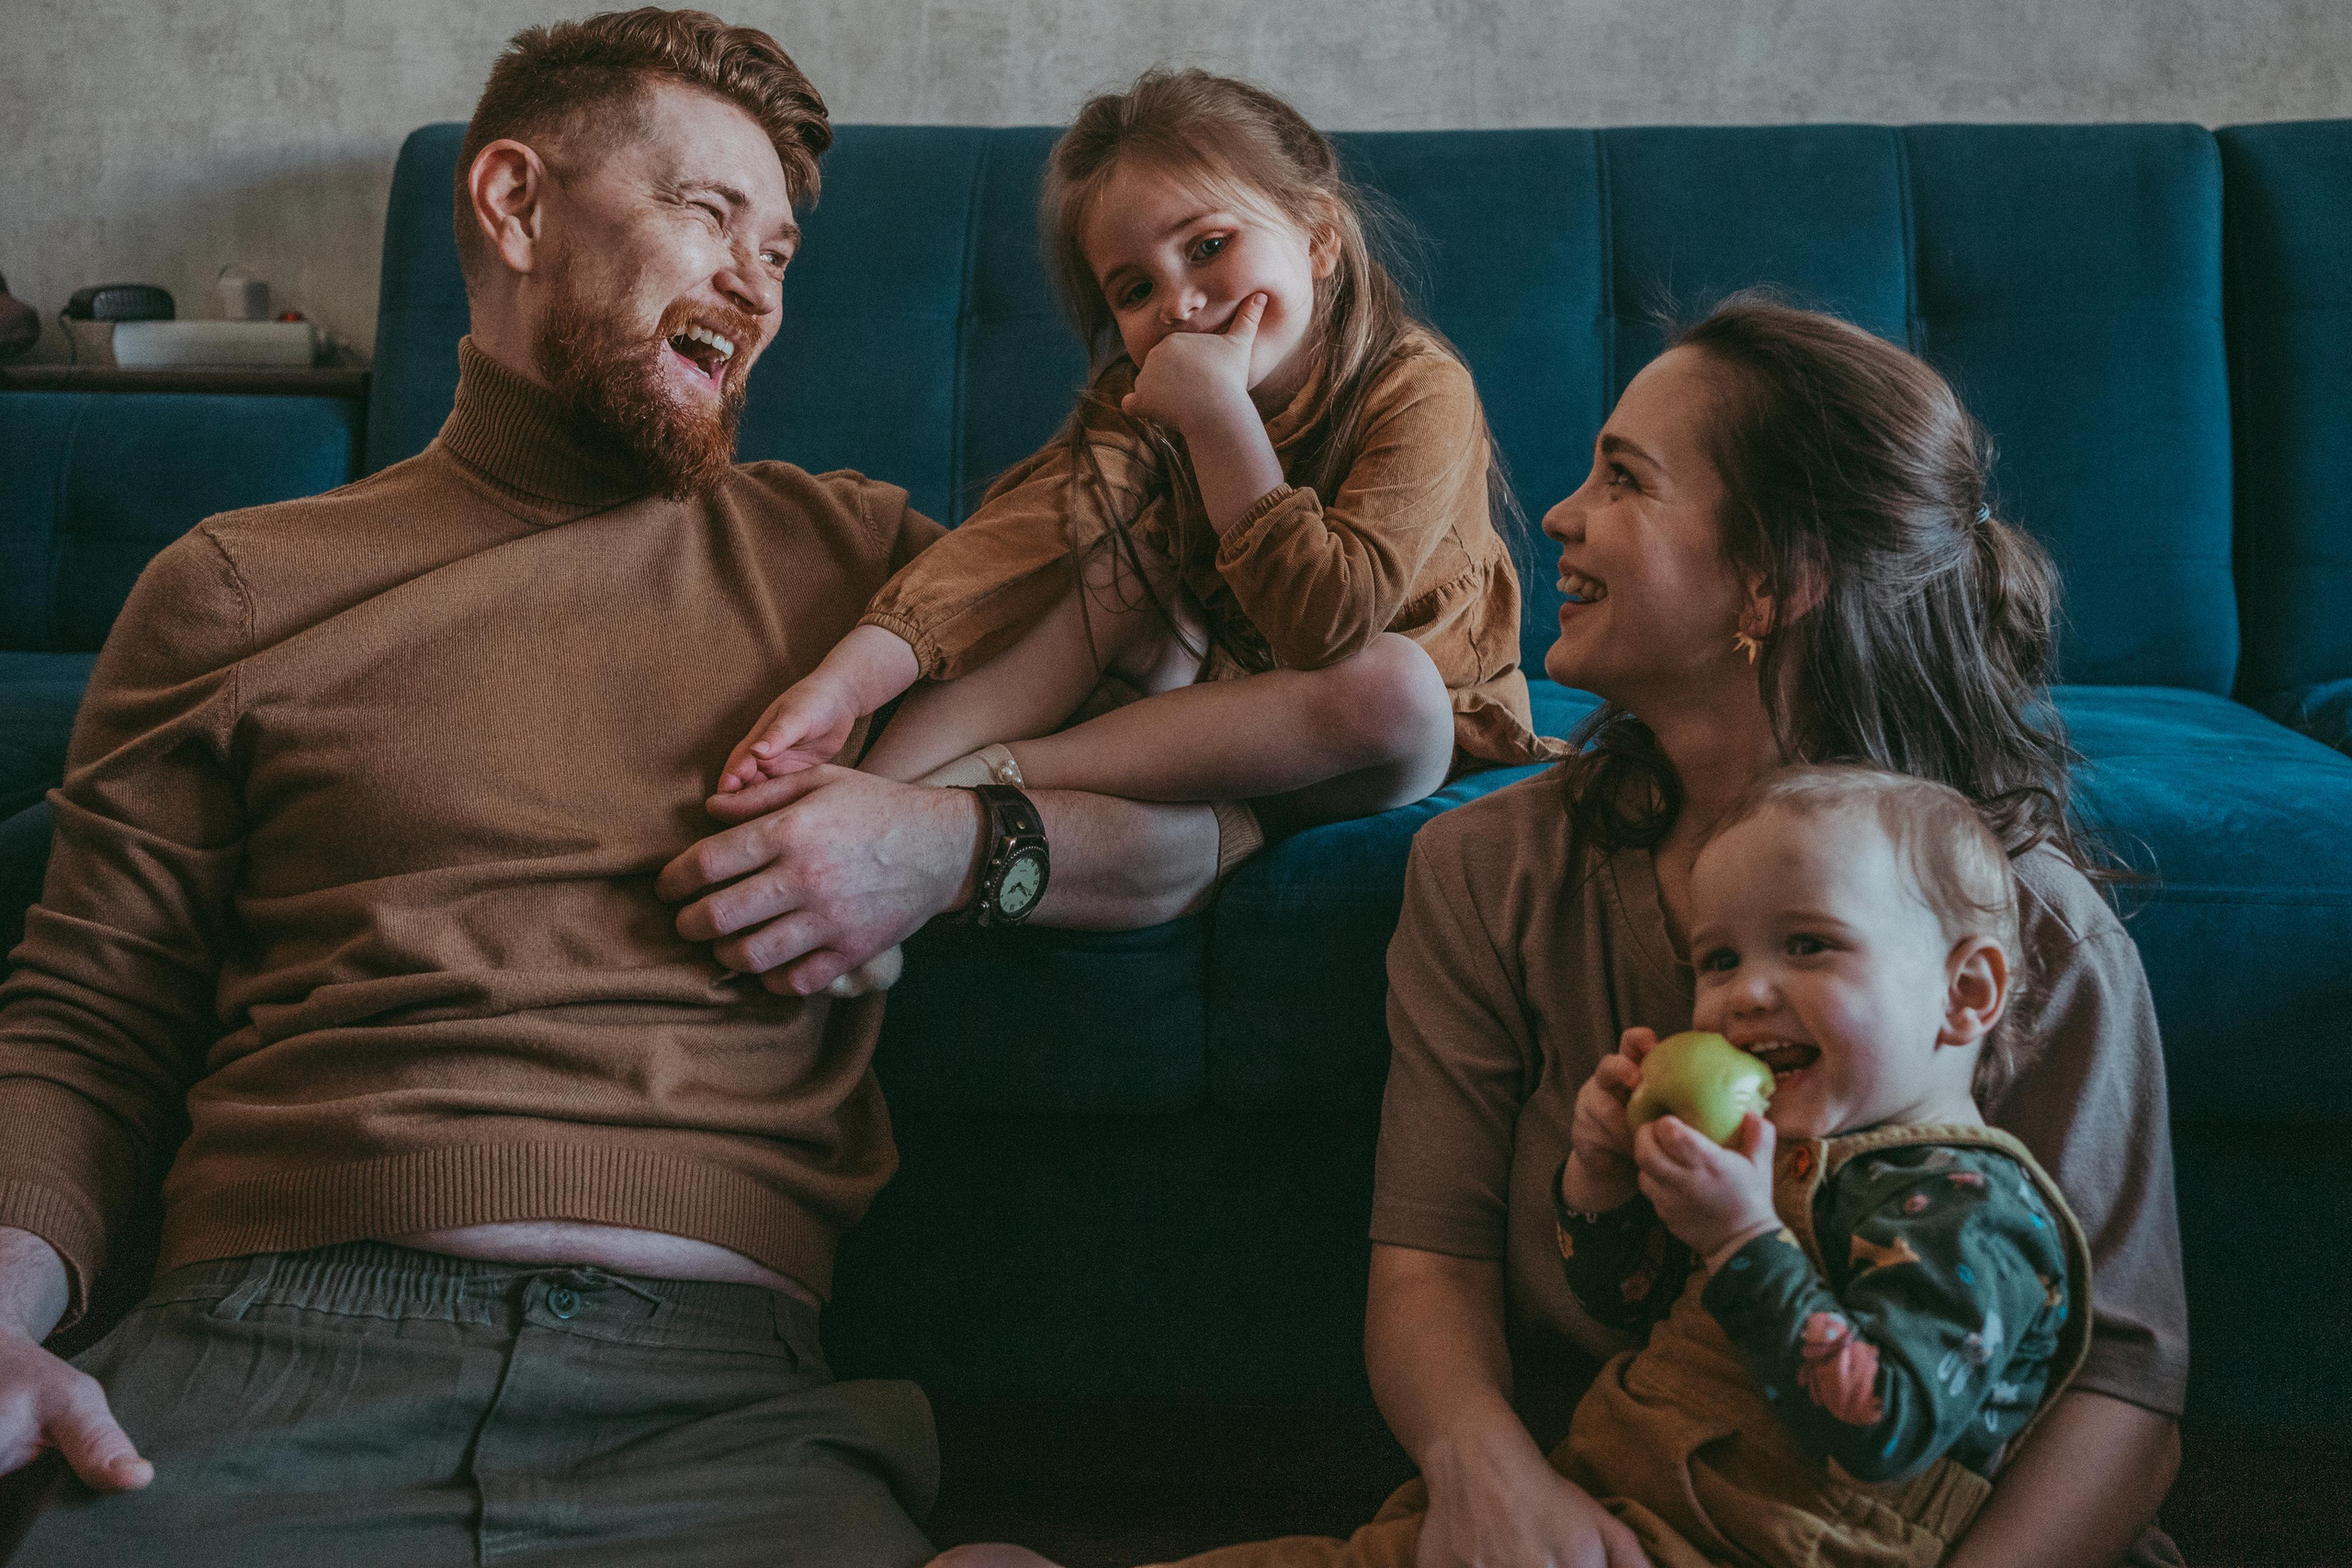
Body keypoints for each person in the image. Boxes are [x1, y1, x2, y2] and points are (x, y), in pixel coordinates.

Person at [0, 11, 1227, 1565]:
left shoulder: (862, 566)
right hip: (259, 1370)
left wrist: (943, 845)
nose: (758, 289)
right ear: (515, 204)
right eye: (709, 214)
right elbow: (88, 1020)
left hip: (713, 1414)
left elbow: (1196, 817)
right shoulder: (236, 585)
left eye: (778, 252)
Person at [933, 299, 2180, 1568]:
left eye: (1624, 479)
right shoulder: (1491, 869)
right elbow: (1429, 1265)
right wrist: (1488, 1477)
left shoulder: (2021, 929)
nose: (1560, 515)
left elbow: (2124, 1399)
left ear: (1773, 579)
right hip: (1597, 1507)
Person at [716, 67, 1560, 994]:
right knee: (1102, 561)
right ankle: (857, 809)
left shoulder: (1417, 387)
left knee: (1395, 688)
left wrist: (1218, 419)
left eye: (1209, 246)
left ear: (1320, 237)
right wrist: (844, 682)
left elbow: (1327, 626)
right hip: (1200, 705)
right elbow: (1017, 542)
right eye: (1133, 288)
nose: (1181, 304)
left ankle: (978, 783)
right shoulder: (1145, 393)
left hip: (1364, 738)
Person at [1546, 763, 2092, 1565]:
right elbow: (1625, 1300)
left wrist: (1741, 1239)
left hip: (1770, 1543)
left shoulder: (1977, 1211)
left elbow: (1884, 1428)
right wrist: (1601, 1171)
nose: (1745, 994)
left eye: (1808, 945)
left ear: (1964, 992)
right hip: (1601, 1490)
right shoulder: (1759, 1153)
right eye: (1719, 960)